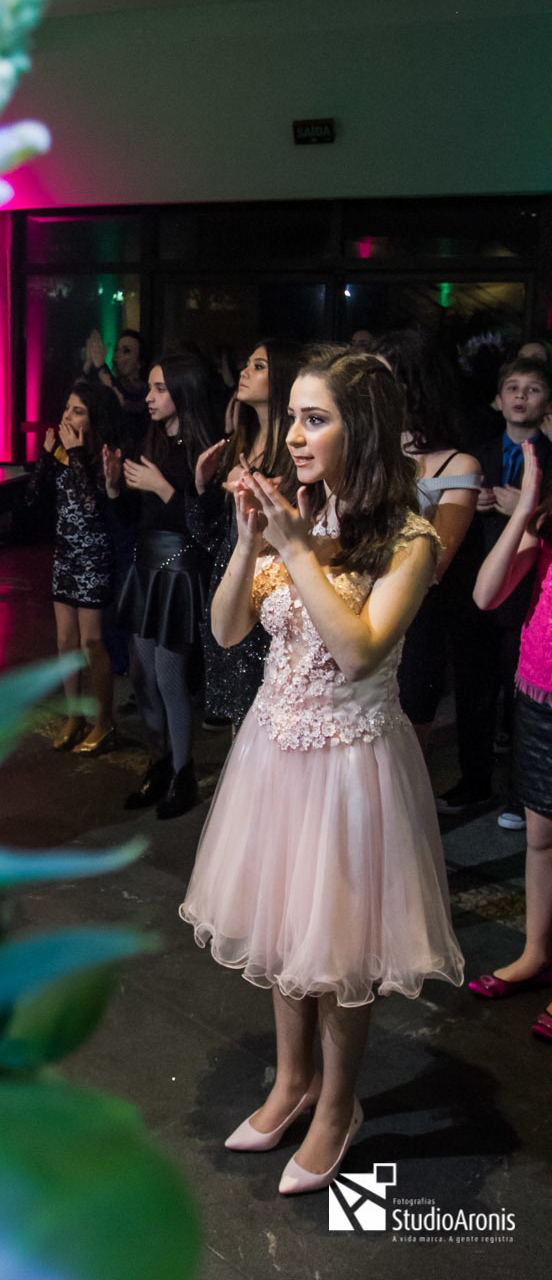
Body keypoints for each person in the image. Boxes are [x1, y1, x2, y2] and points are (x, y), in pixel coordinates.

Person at [180, 348, 463, 1196]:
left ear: (361, 428)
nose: (294, 437)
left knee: (337, 946)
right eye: (294, 417)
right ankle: (290, 1081)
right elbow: (229, 632)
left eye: (315, 419)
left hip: (350, 763)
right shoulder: (297, 509)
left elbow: (359, 649)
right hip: (273, 752)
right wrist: (245, 545)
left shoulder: (406, 536)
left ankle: (339, 1105)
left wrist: (298, 546)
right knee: (281, 925)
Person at [105, 351, 222, 819]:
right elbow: (133, 520)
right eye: (149, 388)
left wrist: (163, 489)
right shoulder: (148, 442)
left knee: (171, 677)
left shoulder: (206, 449)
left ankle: (183, 772)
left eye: (159, 389)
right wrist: (115, 488)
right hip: (147, 567)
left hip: (181, 572)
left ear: (183, 391)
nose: (149, 397)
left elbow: (208, 527)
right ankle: (159, 765)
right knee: (142, 675)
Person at [438, 356, 552, 813]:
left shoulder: (550, 455)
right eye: (513, 387)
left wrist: (520, 509)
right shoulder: (477, 452)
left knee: (519, 699)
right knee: (473, 691)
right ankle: (474, 780)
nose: (521, 396)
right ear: (498, 399)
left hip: (527, 597)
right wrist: (471, 502)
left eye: (533, 388)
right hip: (475, 587)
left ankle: (520, 793)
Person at [469, 439, 552, 1041]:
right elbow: (486, 593)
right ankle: (536, 952)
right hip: (538, 691)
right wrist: (524, 509)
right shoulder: (546, 519)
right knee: (542, 836)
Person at [374, 331, 482, 749]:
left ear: (413, 387)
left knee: (403, 754)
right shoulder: (361, 452)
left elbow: (434, 565)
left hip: (414, 624)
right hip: (349, 610)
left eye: (383, 381)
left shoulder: (458, 464)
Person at [189, 339, 299, 729]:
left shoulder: (296, 452)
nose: (244, 372)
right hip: (230, 582)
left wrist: (263, 503)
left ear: (283, 379)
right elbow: (211, 538)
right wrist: (203, 487)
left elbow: (300, 539)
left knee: (271, 719)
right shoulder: (239, 444)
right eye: (247, 364)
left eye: (258, 366)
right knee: (240, 723)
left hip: (272, 594)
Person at [27, 380, 120, 752]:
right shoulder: (64, 453)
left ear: (93, 415)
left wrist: (77, 452)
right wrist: (47, 457)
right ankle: (74, 715)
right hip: (64, 555)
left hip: (94, 556)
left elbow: (92, 503)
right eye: (66, 408)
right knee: (65, 639)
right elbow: (31, 499)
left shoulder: (102, 453)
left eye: (77, 410)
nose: (67, 416)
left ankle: (105, 720)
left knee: (91, 641)